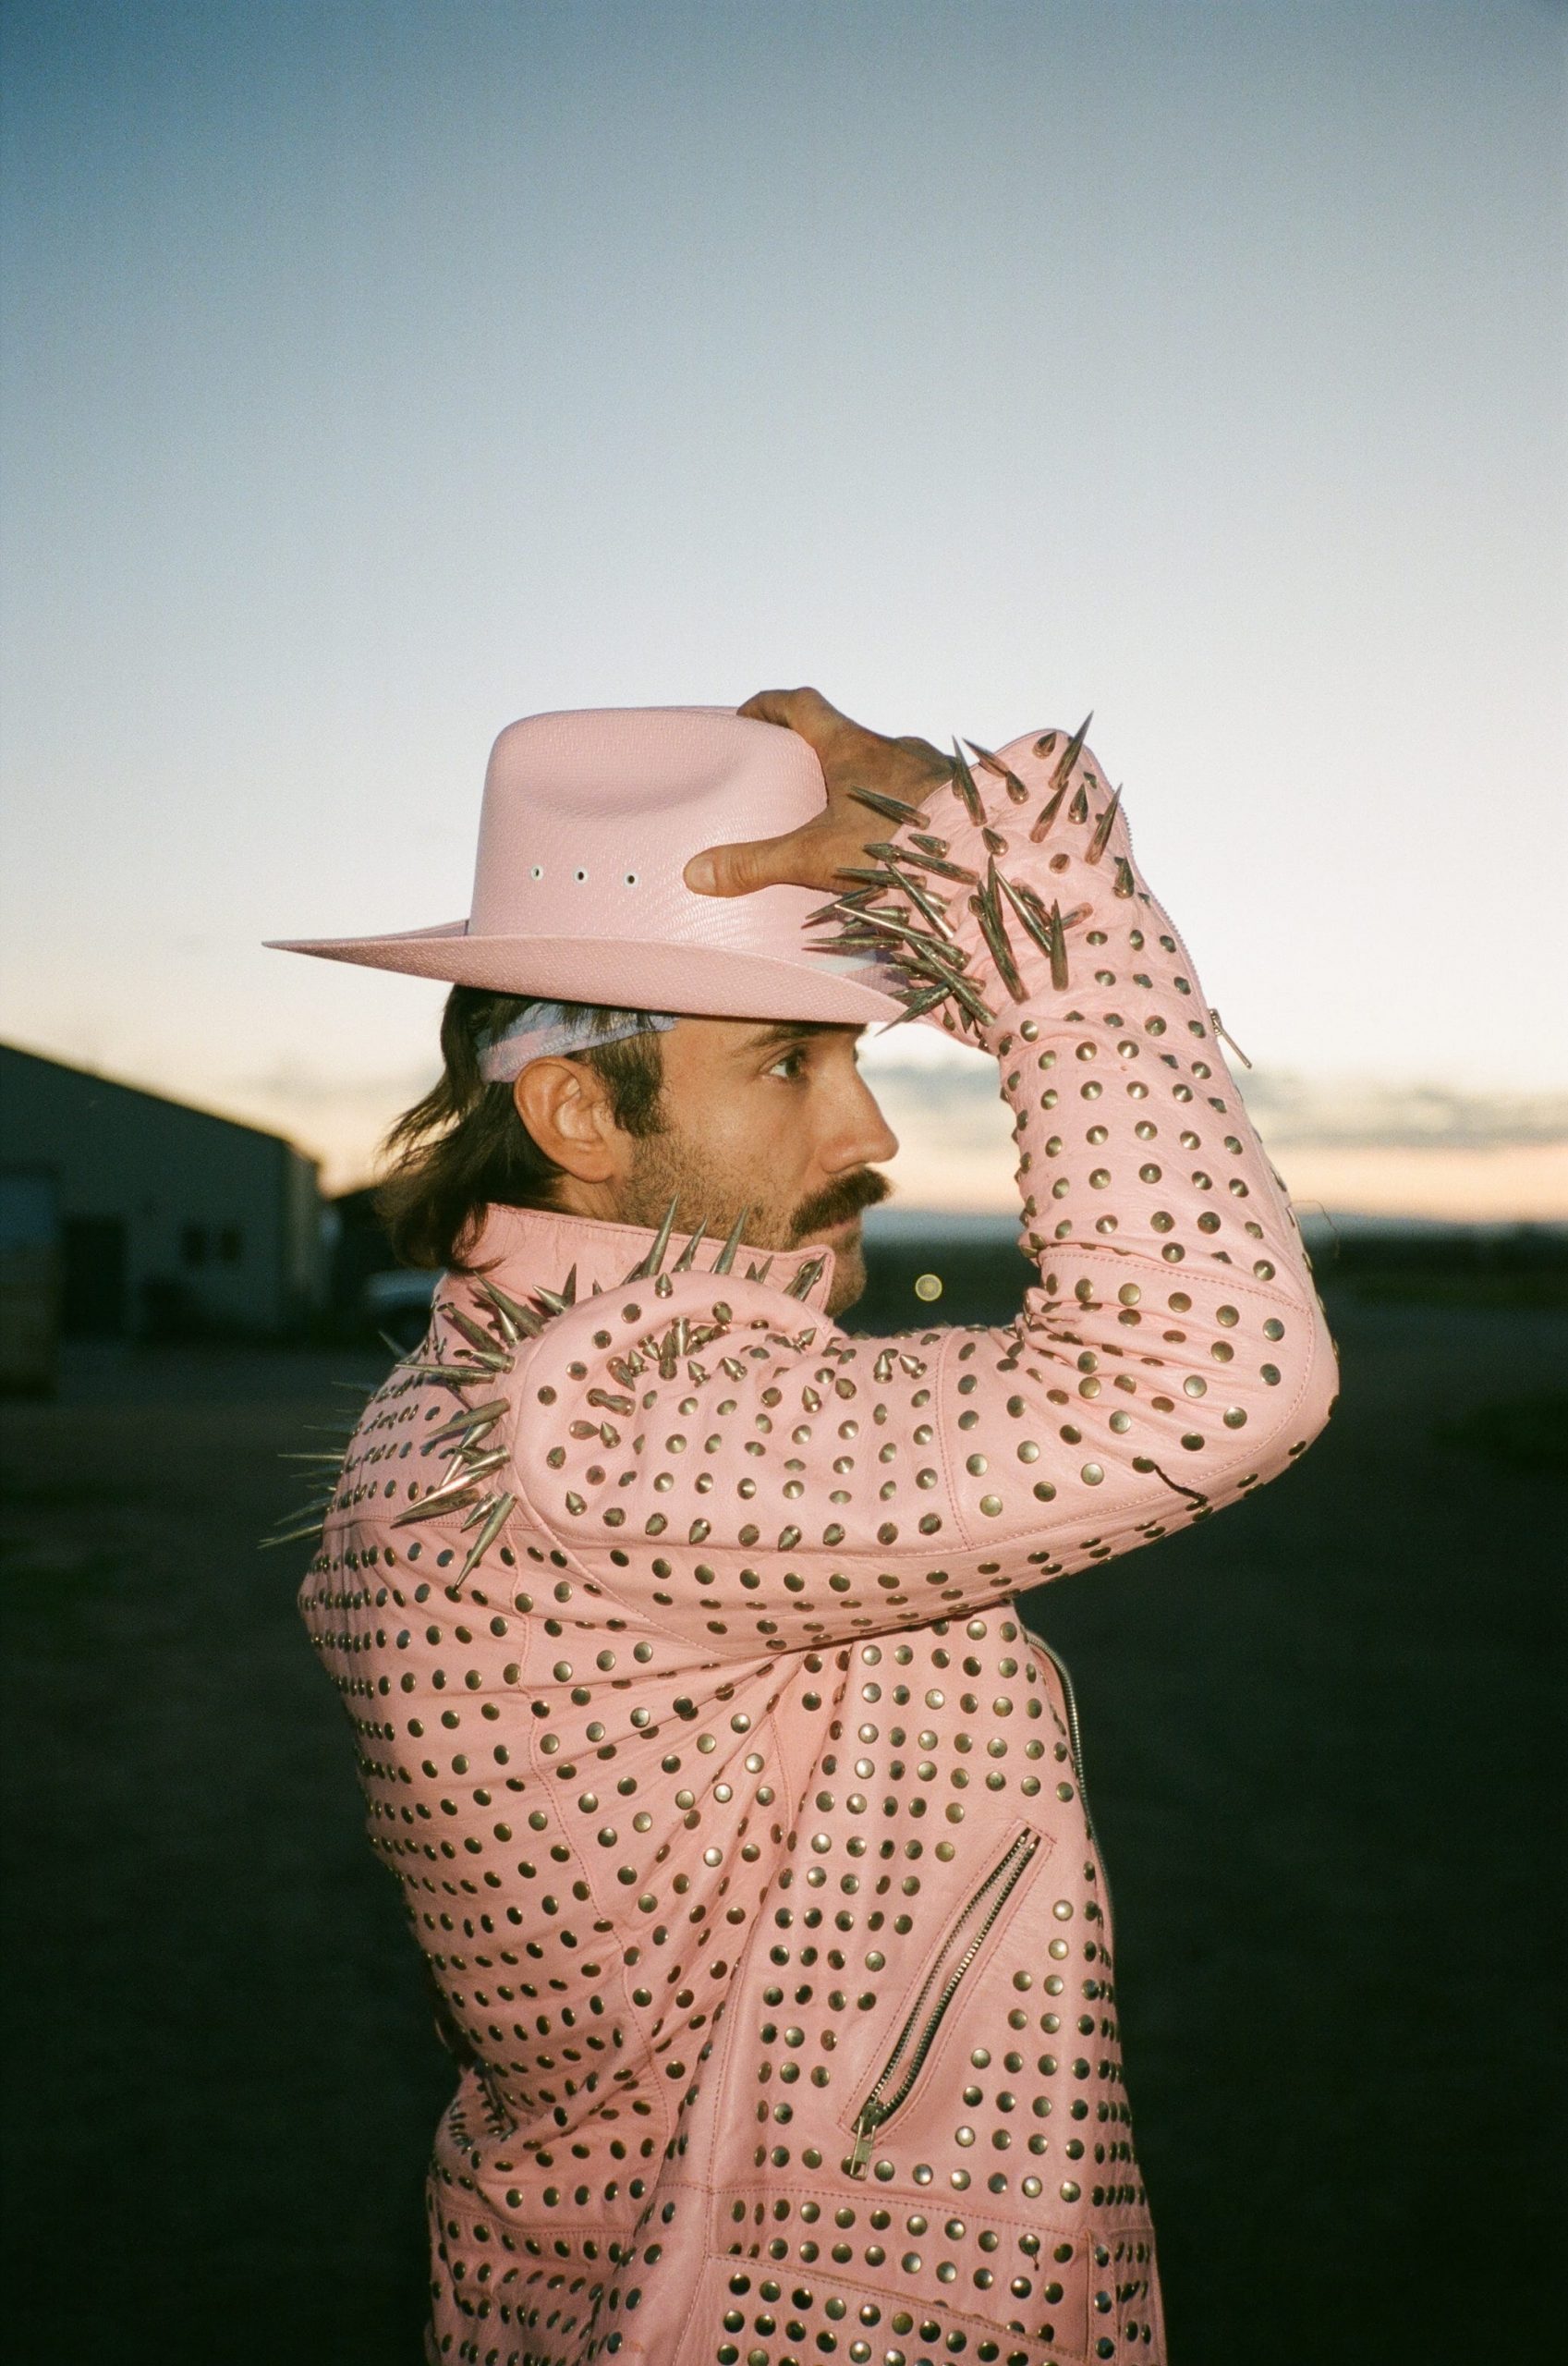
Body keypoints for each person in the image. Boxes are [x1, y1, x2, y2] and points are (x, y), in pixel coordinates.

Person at [272, 689, 1337, 2365]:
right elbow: (1210, 1362)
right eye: (786, 1062)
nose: (872, 1138)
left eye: (847, 1054)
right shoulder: (600, 1427)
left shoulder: (482, 1396)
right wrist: (1030, 889)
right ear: (575, 1115)